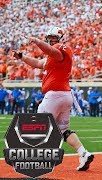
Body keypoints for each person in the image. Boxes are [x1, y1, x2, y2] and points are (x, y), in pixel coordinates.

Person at [12, 27, 94, 171]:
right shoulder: (52, 57)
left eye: (54, 38)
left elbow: (53, 51)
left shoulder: (61, 50)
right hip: (65, 96)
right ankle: (83, 153)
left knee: (38, 124)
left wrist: (37, 41)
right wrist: (22, 57)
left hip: (55, 95)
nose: (51, 40)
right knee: (63, 130)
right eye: (49, 38)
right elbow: (38, 63)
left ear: (61, 39)